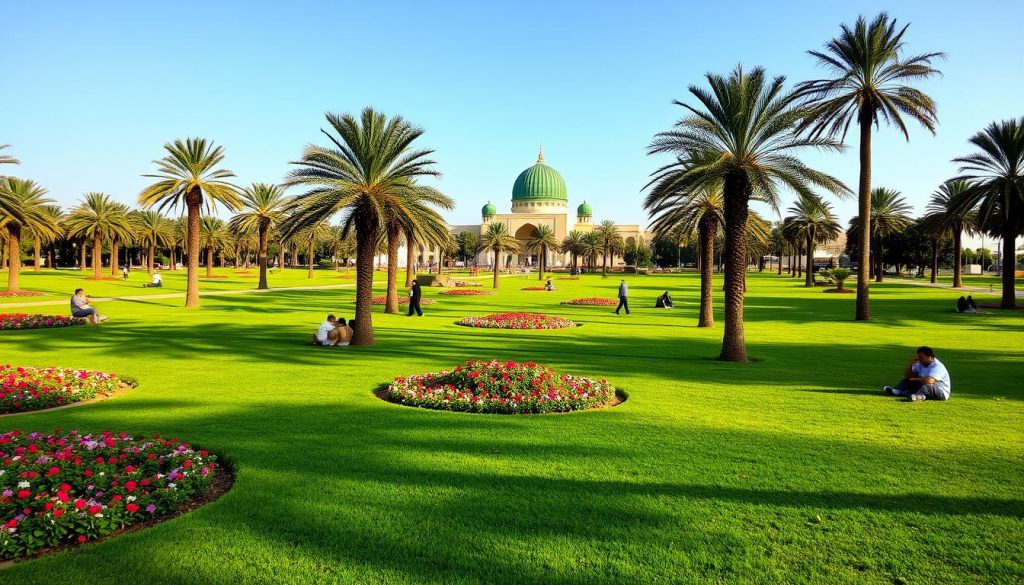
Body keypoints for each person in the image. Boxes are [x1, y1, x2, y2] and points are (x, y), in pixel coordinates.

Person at [883, 346, 951, 401]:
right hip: (926, 389)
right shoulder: (921, 362)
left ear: (930, 357)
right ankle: (896, 391)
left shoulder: (937, 366)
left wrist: (915, 379)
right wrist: (911, 363)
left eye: (922, 358)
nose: (919, 360)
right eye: (918, 358)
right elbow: (908, 375)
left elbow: (930, 381)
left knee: (926, 386)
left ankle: (910, 395)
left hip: (941, 392)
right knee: (908, 380)